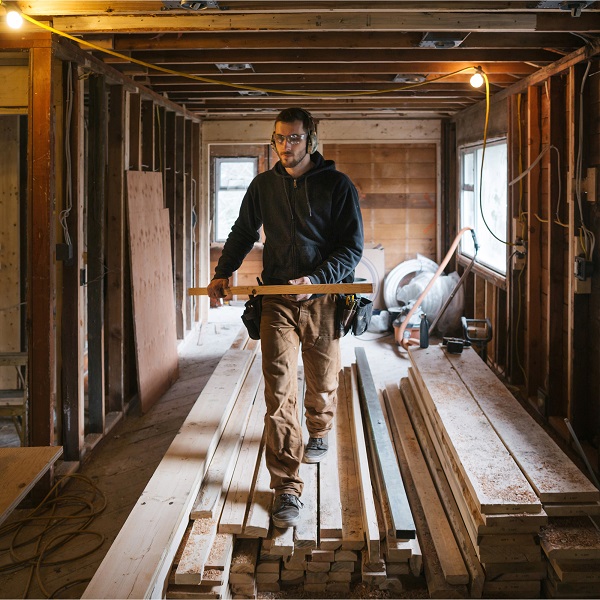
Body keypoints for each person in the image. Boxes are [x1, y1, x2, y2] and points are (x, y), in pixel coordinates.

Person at [207, 107, 364, 528]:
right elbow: (243, 232)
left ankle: (319, 427)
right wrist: (223, 273)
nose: (285, 146)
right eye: (279, 138)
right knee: (278, 393)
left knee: (323, 381)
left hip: (324, 298)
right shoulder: (263, 187)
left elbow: (352, 248)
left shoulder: (337, 185)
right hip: (276, 299)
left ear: (310, 139)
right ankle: (287, 486)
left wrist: (317, 278)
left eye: (294, 138)